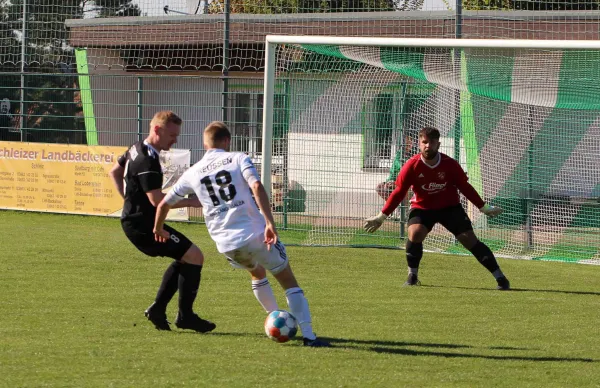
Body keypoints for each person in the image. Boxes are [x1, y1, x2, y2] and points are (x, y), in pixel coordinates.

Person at [153, 121, 331, 347]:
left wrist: (158, 228)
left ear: (205, 143)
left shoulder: (193, 172)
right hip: (255, 234)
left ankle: (276, 316)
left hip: (227, 244)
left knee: (257, 273)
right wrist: (269, 222)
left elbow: (163, 205)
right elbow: (256, 186)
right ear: (226, 141)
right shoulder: (237, 158)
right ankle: (309, 336)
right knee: (288, 281)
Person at [108, 110, 216, 333]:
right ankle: (185, 316)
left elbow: (114, 172)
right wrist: (191, 203)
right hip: (143, 226)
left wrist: (128, 201)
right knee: (194, 256)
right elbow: (158, 200)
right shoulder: (148, 160)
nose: (175, 139)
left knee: (188, 257)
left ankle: (160, 309)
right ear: (157, 130)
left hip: (138, 221)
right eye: (172, 135)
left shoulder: (135, 148)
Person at [364, 127, 510, 290]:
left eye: (431, 142)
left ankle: (501, 278)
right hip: (422, 207)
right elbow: (399, 192)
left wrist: (483, 207)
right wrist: (380, 217)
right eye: (424, 142)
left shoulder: (450, 164)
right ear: (419, 144)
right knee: (415, 233)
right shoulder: (411, 165)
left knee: (468, 239)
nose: (428, 146)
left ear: (438, 144)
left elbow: (465, 187)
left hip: (450, 207)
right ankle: (412, 276)